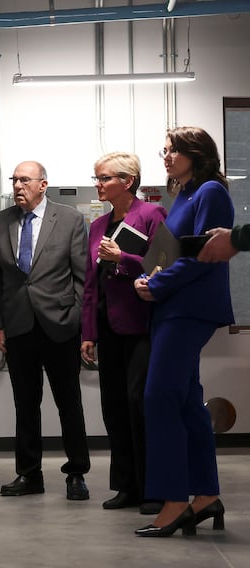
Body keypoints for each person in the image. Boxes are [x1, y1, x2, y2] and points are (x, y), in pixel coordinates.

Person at [133, 126, 233, 537]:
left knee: (159, 398)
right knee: (188, 401)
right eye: (165, 150)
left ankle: (173, 500)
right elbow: (172, 253)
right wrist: (149, 279)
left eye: (174, 150)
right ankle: (206, 497)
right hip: (173, 307)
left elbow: (202, 256)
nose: (167, 157)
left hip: (190, 308)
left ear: (197, 152)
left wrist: (155, 285)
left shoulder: (210, 191)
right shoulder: (184, 195)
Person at [0, 160, 91, 501]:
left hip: (60, 325)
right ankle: (29, 474)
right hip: (18, 326)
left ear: (42, 185)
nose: (18, 186)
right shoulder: (2, 220)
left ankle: (76, 472)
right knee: (25, 405)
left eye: (25, 180)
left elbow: (82, 277)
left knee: (68, 403)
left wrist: (77, 318)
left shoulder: (71, 219)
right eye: (14, 180)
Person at [80, 152, 167, 514]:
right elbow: (89, 284)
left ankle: (154, 488)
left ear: (127, 181)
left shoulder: (151, 215)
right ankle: (126, 486)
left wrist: (125, 260)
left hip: (141, 324)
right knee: (113, 406)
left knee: (139, 404)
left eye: (104, 178)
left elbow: (165, 266)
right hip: (107, 324)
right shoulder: (98, 225)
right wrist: (88, 332)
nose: (97, 184)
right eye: (96, 178)